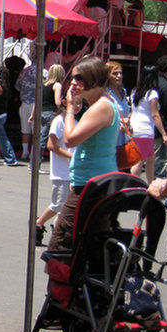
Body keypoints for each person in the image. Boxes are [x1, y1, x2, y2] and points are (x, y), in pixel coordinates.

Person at [48, 56, 120, 250]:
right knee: (83, 244)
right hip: (90, 182)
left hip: (92, 185)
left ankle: (67, 279)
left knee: (61, 244)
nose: (73, 83)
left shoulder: (102, 107)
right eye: (72, 78)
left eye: (79, 78)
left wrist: (70, 109)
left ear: (93, 79)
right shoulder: (99, 105)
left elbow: (70, 139)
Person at [35, 98, 80, 246]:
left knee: (65, 206)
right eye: (75, 103)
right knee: (59, 205)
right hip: (61, 172)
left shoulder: (77, 121)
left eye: (80, 103)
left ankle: (58, 232)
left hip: (74, 172)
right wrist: (70, 156)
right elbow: (51, 145)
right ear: (64, 102)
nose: (77, 106)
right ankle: (39, 224)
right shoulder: (59, 121)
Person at [129, 65, 167, 183]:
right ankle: (131, 184)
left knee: (150, 158)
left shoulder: (135, 92)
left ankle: (150, 183)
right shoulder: (152, 94)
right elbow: (155, 115)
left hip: (135, 128)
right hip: (145, 131)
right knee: (140, 161)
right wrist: (164, 134)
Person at [30, 63, 64, 165]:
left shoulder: (43, 85)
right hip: (51, 112)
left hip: (41, 111)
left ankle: (33, 163)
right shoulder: (57, 85)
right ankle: (35, 164)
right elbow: (57, 102)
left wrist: (32, 115)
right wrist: (63, 109)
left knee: (39, 138)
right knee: (47, 139)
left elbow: (36, 102)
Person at [15, 50, 39, 162]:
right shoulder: (43, 72)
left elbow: (18, 86)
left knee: (25, 129)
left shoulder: (24, 71)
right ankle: (33, 153)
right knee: (36, 131)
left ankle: (25, 152)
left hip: (24, 102)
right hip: (36, 104)